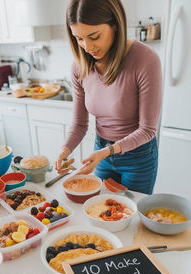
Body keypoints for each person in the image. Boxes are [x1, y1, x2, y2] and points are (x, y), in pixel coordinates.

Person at [55, 0, 162, 194]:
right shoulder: (79, 67)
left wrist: (108, 151)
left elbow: (148, 130)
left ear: (115, 24)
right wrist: (65, 149)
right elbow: (79, 125)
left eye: (94, 36)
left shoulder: (145, 59)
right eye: (79, 38)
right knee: (100, 211)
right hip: (101, 151)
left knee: (132, 215)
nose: (87, 47)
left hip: (138, 156)